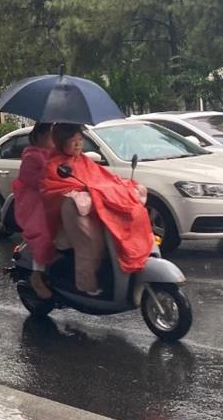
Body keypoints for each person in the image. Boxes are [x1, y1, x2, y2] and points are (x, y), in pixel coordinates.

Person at [41, 123, 153, 294]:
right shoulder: (55, 165)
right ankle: (86, 285)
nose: (78, 144)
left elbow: (102, 178)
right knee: (91, 243)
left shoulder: (84, 160)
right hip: (75, 214)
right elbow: (57, 188)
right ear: (61, 142)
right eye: (73, 141)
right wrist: (85, 192)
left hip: (94, 210)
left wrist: (121, 187)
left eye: (80, 140)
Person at [11, 123, 57, 299]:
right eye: (50, 136)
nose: (53, 140)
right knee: (44, 234)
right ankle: (38, 275)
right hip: (35, 204)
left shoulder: (55, 154)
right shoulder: (31, 157)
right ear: (39, 137)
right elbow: (39, 181)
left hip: (52, 199)